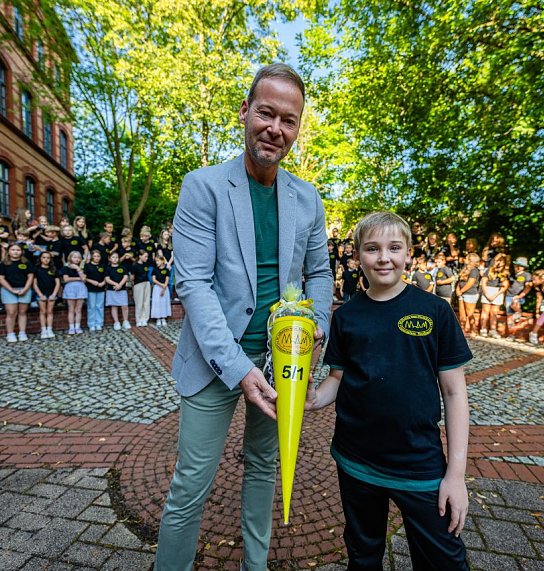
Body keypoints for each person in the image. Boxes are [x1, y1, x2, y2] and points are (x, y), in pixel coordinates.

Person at [155, 63, 333, 570]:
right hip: (216, 363)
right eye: (267, 113)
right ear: (245, 112)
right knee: (191, 484)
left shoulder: (308, 198)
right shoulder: (203, 186)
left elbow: (320, 272)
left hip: (281, 363)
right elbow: (193, 284)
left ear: (298, 128)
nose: (276, 128)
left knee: (263, 469)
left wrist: (317, 321)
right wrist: (238, 369)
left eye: (289, 120)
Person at [307, 211, 471, 569]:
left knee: (444, 561)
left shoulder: (435, 311)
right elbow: (337, 378)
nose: (384, 257)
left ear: (408, 253)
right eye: (372, 248)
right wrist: (314, 397)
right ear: (357, 256)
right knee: (363, 556)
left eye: (394, 247)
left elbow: (455, 394)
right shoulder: (347, 316)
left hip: (420, 466)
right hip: (356, 462)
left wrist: (455, 476)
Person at [0, 243, 34, 342]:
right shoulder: (4, 263)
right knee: (11, 312)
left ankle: (22, 332)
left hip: (24, 289)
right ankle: (10, 333)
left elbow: (30, 277)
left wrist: (25, 289)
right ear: (8, 251)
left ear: (21, 252)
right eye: (13, 250)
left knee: (22, 312)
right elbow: (1, 278)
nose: (15, 252)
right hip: (8, 290)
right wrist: (11, 290)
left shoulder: (26, 263)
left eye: (18, 250)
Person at [479, 254, 510, 338]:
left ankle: (492, 330)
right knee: (485, 310)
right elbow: (483, 282)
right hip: (488, 290)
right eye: (497, 261)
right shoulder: (489, 270)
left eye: (501, 261)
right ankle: (483, 329)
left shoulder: (505, 273)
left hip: (498, 292)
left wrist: (496, 294)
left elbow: (505, 286)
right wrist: (486, 294)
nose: (499, 263)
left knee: (494, 312)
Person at [33, 251, 60, 339]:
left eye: (48, 258)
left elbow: (57, 283)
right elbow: (34, 284)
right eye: (44, 257)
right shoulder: (36, 269)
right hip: (41, 294)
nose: (46, 259)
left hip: (51, 293)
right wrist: (40, 295)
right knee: (43, 311)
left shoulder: (53, 269)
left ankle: (49, 329)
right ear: (40, 259)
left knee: (50, 311)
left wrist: (54, 294)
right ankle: (43, 329)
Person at [505, 257, 532, 341]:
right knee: (509, 316)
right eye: (516, 265)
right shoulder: (511, 274)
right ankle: (511, 334)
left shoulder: (526, 275)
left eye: (519, 266)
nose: (517, 267)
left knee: (515, 305)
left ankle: (518, 311)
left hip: (519, 296)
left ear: (524, 267)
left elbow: (528, 287)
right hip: (509, 295)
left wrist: (520, 296)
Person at [61, 250, 88, 334]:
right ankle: (71, 327)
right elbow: (66, 279)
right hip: (70, 288)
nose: (76, 259)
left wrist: (78, 268)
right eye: (74, 257)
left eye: (78, 257)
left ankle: (77, 326)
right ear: (70, 258)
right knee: (71, 309)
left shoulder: (83, 267)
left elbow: (84, 279)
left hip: (80, 288)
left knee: (78, 309)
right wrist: (78, 278)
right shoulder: (66, 267)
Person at [455, 253, 481, 336]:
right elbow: (460, 281)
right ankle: (462, 330)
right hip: (461, 293)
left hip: (470, 294)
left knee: (469, 313)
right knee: (462, 312)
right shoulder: (464, 268)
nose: (464, 259)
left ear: (471, 261)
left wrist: (461, 291)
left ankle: (474, 330)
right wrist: (457, 289)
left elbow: (470, 283)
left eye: (466, 258)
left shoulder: (474, 270)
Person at [104, 251, 131, 330]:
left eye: (116, 257)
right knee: (114, 306)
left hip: (122, 289)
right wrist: (116, 284)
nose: (115, 259)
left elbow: (125, 277)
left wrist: (120, 285)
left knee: (124, 306)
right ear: (109, 259)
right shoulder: (108, 268)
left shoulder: (122, 267)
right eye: (113, 257)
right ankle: (116, 322)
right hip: (112, 290)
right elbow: (107, 279)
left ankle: (125, 321)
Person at [84, 250, 107, 331]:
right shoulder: (87, 266)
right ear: (92, 257)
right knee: (91, 306)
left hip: (101, 288)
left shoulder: (103, 266)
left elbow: (106, 276)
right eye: (95, 256)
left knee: (99, 306)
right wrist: (92, 281)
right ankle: (91, 324)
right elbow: (85, 278)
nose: (96, 258)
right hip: (91, 288)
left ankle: (99, 323)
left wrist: (103, 283)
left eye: (98, 256)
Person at [131, 250, 153, 327]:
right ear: (140, 256)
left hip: (146, 283)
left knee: (146, 302)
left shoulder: (146, 264)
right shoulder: (134, 265)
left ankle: (145, 319)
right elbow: (132, 278)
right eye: (145, 256)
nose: (146, 258)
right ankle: (138, 319)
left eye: (147, 256)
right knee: (139, 302)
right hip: (138, 284)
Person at [150, 254, 171, 326]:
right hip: (157, 287)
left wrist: (164, 287)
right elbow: (154, 280)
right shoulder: (155, 270)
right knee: (157, 302)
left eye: (158, 261)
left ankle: (163, 318)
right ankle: (158, 318)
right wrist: (161, 285)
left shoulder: (166, 270)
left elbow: (167, 279)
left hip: (165, 288)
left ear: (162, 261)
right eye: (156, 261)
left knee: (163, 302)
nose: (157, 262)